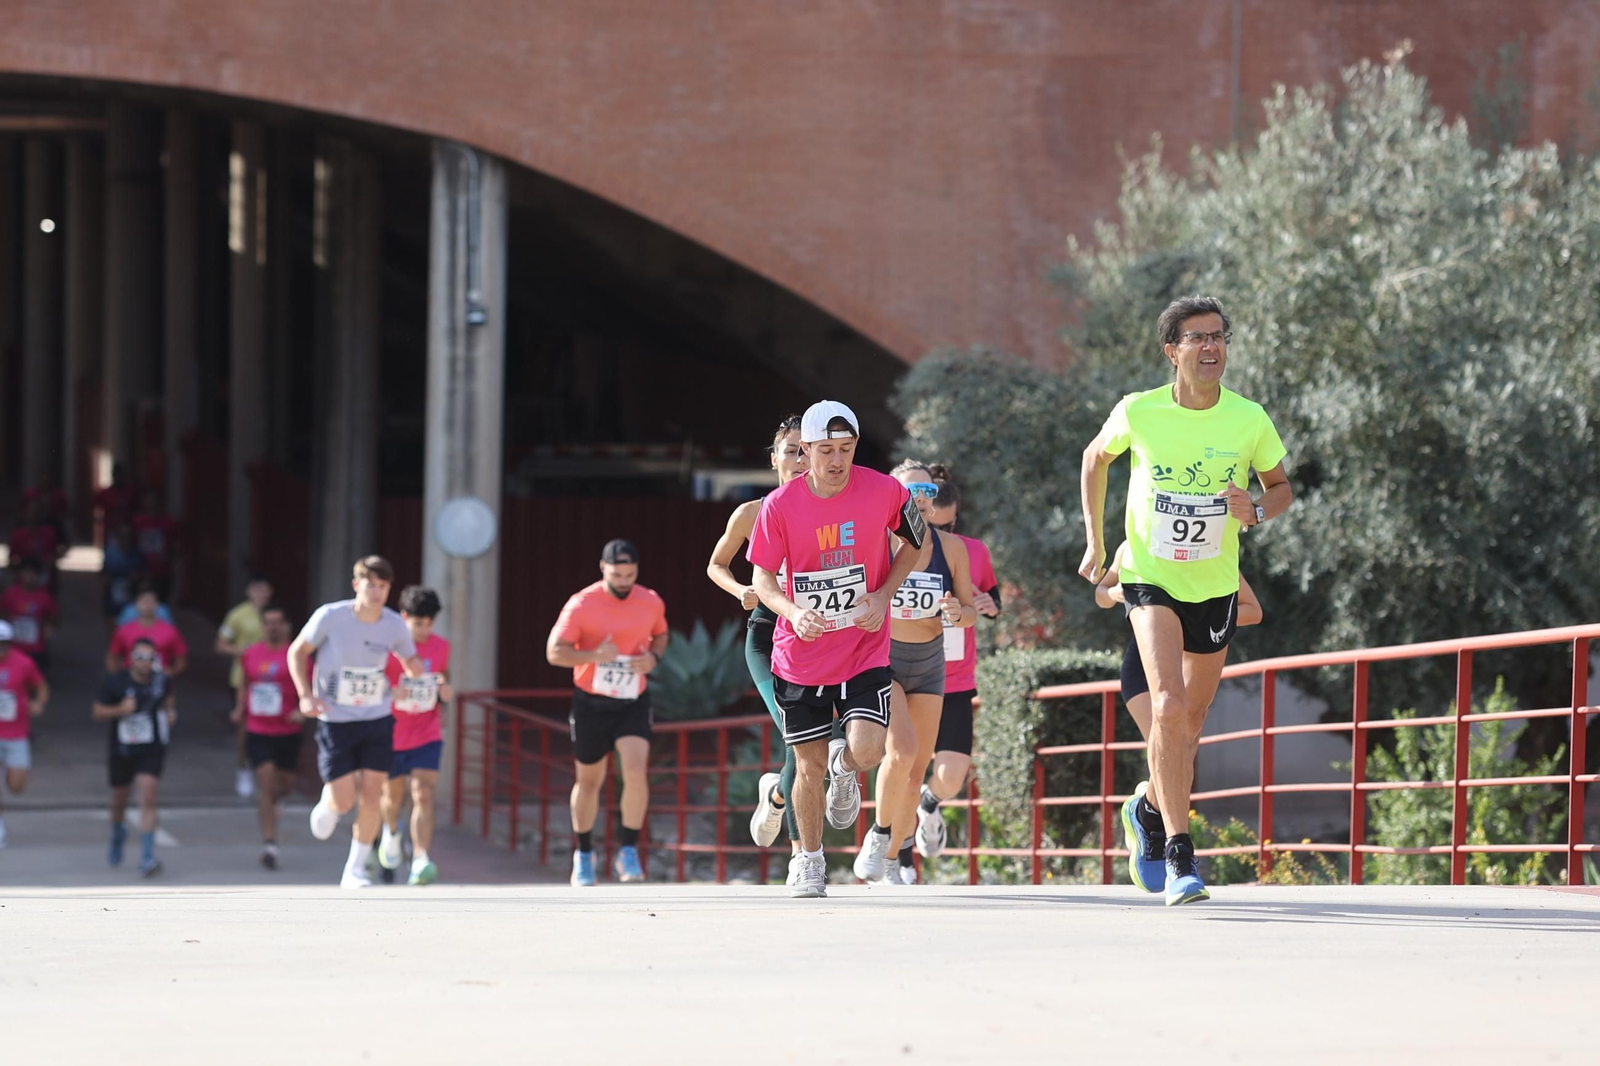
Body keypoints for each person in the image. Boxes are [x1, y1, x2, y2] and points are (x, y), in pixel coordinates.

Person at [1079, 295, 1292, 905]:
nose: (1210, 347)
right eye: (1197, 338)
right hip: (1150, 578)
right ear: (1172, 351)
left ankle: (1146, 806)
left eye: (1218, 336)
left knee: (1188, 728)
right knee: (1168, 708)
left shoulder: (1248, 418)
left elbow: (1280, 487)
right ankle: (1179, 855)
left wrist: (1257, 506)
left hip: (1216, 584)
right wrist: (1097, 540)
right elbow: (1096, 458)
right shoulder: (1139, 411)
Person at [746, 399, 926, 898]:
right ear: (804, 450)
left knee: (867, 750)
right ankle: (808, 859)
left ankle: (845, 770)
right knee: (807, 765)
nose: (836, 461)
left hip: (864, 647)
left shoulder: (885, 490)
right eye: (825, 450)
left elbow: (916, 539)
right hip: (801, 654)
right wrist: (791, 611)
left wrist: (884, 594)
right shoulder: (779, 507)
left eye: (846, 449)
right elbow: (761, 577)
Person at [1095, 542, 1263, 891]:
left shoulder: (1211, 552)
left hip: (1192, 663)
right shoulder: (1133, 547)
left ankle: (1145, 810)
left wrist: (1197, 617)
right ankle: (1163, 836)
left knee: (1181, 750)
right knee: (1171, 743)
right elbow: (1100, 594)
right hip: (1145, 666)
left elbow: (1253, 610)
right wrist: (1119, 592)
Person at [853, 460, 976, 885]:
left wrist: (959, 613)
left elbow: (970, 612)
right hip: (882, 659)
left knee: (917, 768)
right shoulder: (875, 542)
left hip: (930, 662)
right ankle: (879, 834)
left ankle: (892, 858)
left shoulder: (951, 548)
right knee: (901, 751)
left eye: (928, 492)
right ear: (893, 496)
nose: (921, 501)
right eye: (911, 493)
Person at [706, 414, 812, 854]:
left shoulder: (835, 511)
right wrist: (742, 589)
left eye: (810, 449)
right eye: (793, 450)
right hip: (768, 636)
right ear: (774, 460)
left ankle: (776, 796)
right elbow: (716, 564)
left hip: (816, 636)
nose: (803, 458)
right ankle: (799, 854)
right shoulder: (752, 513)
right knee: (798, 734)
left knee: (818, 742)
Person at [289, 556, 423, 889]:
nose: (377, 593)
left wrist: (415, 674)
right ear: (356, 584)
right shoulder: (331, 616)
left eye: (383, 586)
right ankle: (330, 801)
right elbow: (297, 652)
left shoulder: (393, 624)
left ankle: (356, 869)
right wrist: (306, 695)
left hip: (377, 716)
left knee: (372, 796)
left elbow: (411, 660)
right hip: (335, 718)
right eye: (371, 585)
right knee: (345, 800)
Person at [546, 540, 669, 887]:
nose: (624, 581)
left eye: (630, 575)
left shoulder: (650, 600)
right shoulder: (582, 604)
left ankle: (628, 850)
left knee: (634, 770)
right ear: (603, 569)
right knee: (589, 780)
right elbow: (554, 653)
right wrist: (592, 656)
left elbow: (661, 635)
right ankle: (584, 853)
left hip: (632, 701)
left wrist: (654, 659)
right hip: (591, 702)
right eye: (617, 575)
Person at [913, 465, 1001, 860]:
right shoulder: (898, 547)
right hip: (909, 672)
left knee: (950, 776)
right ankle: (898, 856)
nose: (943, 535)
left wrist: (986, 604)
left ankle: (928, 804)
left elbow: (993, 602)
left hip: (955, 679)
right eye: (937, 525)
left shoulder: (972, 551)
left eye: (950, 527)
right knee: (902, 764)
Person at [379, 585, 454, 887]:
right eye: (417, 624)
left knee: (423, 793)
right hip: (391, 733)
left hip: (427, 732)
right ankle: (391, 832)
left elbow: (442, 677)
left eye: (429, 624)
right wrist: (390, 691)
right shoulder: (387, 648)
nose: (424, 630)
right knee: (392, 796)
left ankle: (421, 858)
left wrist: (445, 695)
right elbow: (374, 685)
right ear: (404, 617)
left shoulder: (441, 646)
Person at [92, 636, 177, 877]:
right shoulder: (115, 681)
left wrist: (170, 713)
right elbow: (97, 711)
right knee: (120, 797)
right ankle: (118, 831)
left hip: (151, 747)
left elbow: (169, 700)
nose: (144, 663)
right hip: (122, 747)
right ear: (131, 659)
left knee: (148, 796)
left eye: (149, 658)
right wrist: (120, 710)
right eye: (139, 657)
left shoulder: (162, 681)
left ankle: (147, 856)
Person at [231, 605, 303, 870]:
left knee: (285, 784)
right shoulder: (250, 654)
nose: (273, 627)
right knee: (266, 781)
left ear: (285, 626)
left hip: (288, 729)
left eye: (277, 622)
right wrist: (240, 707)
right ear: (262, 626)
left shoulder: (297, 654)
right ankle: (270, 844)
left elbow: (313, 684)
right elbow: (244, 685)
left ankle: (279, 799)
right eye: (268, 622)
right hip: (258, 728)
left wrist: (302, 710)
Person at [216, 576, 274, 799]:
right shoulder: (238, 615)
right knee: (244, 727)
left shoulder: (275, 616)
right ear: (249, 591)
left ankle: (268, 771)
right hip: (243, 679)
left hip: (272, 681)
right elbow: (221, 644)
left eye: (264, 589)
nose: (260, 594)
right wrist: (244, 650)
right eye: (256, 589)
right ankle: (243, 768)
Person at [0, 621, 50, 850]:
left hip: (17, 732)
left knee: (17, 785)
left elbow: (41, 686)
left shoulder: (23, 662)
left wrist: (38, 703)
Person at [107, 584, 188, 677]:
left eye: (151, 602)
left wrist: (170, 673)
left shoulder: (170, 631)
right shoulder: (124, 630)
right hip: (130, 682)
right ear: (136, 604)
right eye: (144, 602)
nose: (147, 606)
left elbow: (181, 658)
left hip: (159, 683)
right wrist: (117, 680)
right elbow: (112, 656)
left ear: (157, 605)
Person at [0, 559, 59, 675]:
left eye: (33, 574)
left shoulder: (45, 597)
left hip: (36, 648)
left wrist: (48, 628)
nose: (30, 577)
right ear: (20, 574)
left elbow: (53, 617)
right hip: (13, 647)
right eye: (27, 573)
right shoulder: (9, 594)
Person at [131, 488, 179, 601]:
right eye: (148, 500)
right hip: (142, 570)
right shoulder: (137, 521)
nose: (151, 503)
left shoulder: (168, 522)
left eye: (154, 500)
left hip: (162, 571)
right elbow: (131, 543)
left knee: (161, 603)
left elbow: (175, 545)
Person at [101, 523, 146, 628]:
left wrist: (137, 578)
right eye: (123, 536)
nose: (126, 540)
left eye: (128, 537)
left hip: (131, 594)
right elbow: (103, 573)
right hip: (112, 594)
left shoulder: (137, 555)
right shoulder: (110, 553)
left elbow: (145, 574)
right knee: (112, 622)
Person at [93, 462, 140, 540]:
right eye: (117, 474)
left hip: (128, 533)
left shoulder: (131, 492)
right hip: (110, 532)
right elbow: (96, 510)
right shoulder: (105, 493)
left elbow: (137, 511)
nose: (119, 477)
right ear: (113, 475)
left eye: (121, 474)